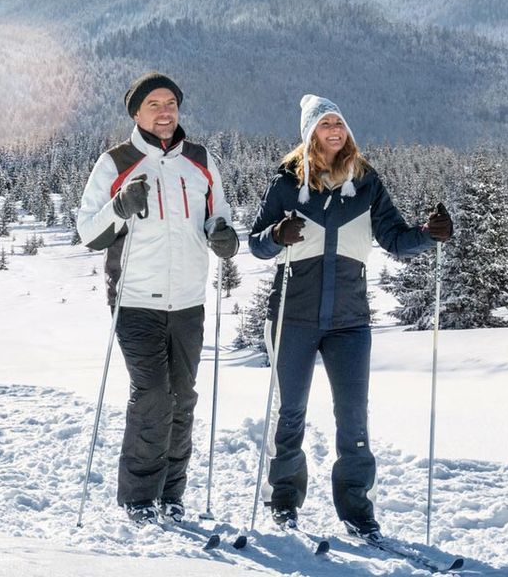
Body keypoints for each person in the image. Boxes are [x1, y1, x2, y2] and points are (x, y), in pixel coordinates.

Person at [246, 95, 453, 540]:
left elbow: (395, 239)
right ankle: (283, 502)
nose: (335, 130)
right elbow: (256, 244)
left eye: (339, 122)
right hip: (293, 314)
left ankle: (357, 509)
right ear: (310, 133)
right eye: (325, 123)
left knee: (354, 416)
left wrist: (428, 235)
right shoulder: (286, 183)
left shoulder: (366, 183)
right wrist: (277, 235)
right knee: (290, 412)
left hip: (349, 319)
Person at [76, 72, 240, 525]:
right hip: (135, 300)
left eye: (171, 103)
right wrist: (120, 206)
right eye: (154, 104)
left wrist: (224, 237)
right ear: (136, 112)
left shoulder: (201, 161)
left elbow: (217, 218)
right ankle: (138, 498)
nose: (164, 111)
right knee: (152, 396)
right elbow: (87, 233)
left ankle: (172, 494)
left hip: (188, 299)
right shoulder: (115, 163)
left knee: (182, 397)